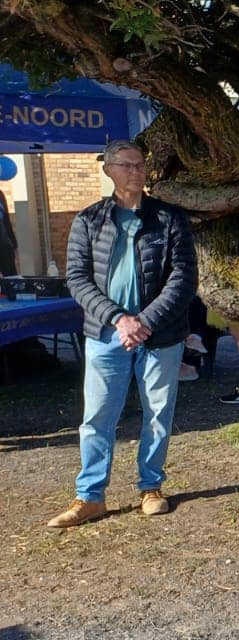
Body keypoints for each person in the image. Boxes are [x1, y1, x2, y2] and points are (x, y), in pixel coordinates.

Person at [49, 141, 196, 528]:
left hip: (159, 334)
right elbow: (77, 279)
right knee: (97, 416)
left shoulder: (168, 218)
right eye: (127, 165)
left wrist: (144, 321)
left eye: (140, 165)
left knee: (158, 414)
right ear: (108, 170)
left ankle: (151, 487)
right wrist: (119, 319)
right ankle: (90, 496)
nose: (136, 172)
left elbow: (183, 278)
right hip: (106, 333)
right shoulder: (89, 220)